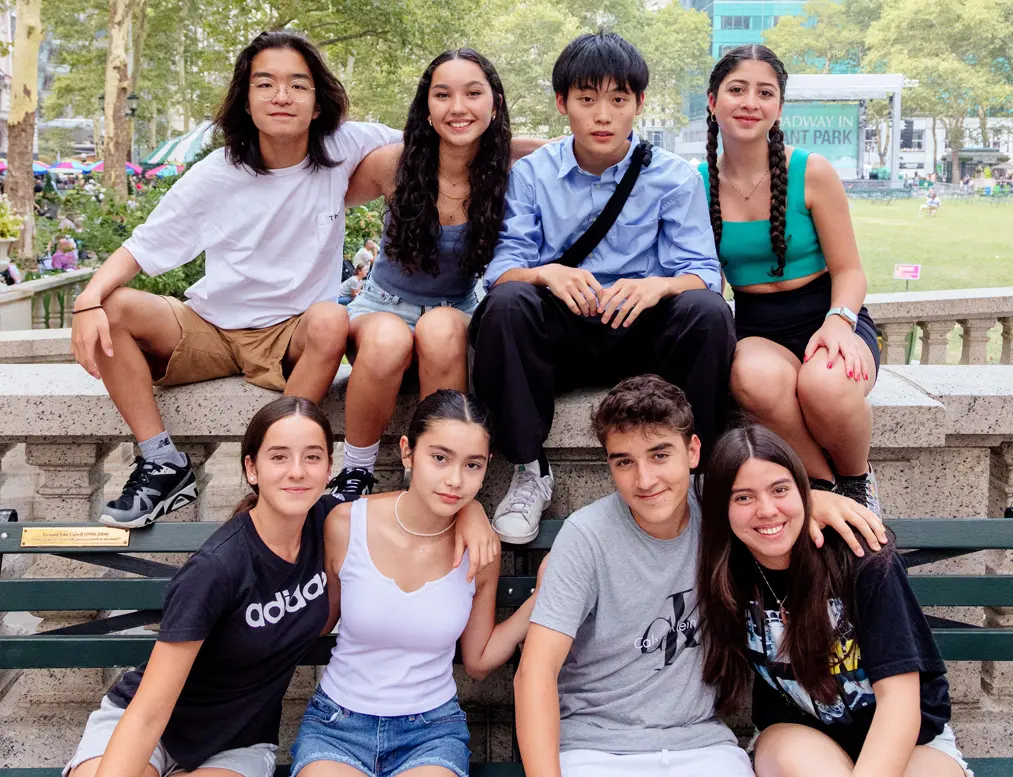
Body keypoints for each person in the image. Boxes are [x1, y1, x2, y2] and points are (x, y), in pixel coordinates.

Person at [64, 395, 501, 777]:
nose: (297, 472)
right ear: (251, 468)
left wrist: (471, 513)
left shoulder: (328, 521)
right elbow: (149, 713)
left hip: (237, 740)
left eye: (312, 457)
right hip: (151, 721)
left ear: (329, 467)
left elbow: (423, 503)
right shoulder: (218, 567)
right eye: (278, 457)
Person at [69, 31, 400, 528]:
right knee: (114, 306)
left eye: (297, 85)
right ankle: (162, 462)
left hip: (290, 334)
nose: (281, 96)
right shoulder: (216, 174)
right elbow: (140, 247)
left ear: (317, 103)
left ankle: (277, 466)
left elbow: (449, 138)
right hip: (211, 327)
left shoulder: (343, 146)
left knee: (333, 318)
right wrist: (87, 301)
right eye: (265, 84)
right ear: (246, 101)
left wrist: (547, 149)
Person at [514, 375, 888, 777]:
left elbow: (770, 499)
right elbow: (534, 674)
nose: (644, 480)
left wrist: (818, 500)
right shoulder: (586, 536)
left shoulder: (720, 507)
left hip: (702, 745)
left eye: (660, 455)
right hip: (595, 748)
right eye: (624, 461)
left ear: (693, 451)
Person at [468, 32, 736, 543]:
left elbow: (704, 270)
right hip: (563, 334)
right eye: (587, 99)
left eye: (618, 100)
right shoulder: (531, 176)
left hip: (640, 334)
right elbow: (502, 269)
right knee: (507, 303)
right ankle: (528, 471)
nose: (603, 115)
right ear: (562, 103)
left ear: (638, 103)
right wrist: (546, 272)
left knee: (706, 312)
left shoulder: (674, 178)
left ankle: (693, 476)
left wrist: (657, 285)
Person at [290, 390, 543, 777]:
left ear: (487, 465)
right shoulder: (346, 524)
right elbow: (320, 620)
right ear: (407, 452)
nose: (454, 480)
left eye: (472, 465)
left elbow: (477, 660)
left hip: (430, 732)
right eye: (439, 458)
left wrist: (544, 597)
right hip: (337, 725)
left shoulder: (480, 550)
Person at [697, 424, 971, 777]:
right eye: (743, 497)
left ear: (804, 492)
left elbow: (900, 704)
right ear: (723, 507)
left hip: (912, 739)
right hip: (800, 734)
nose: (766, 510)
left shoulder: (860, 557)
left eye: (780, 489)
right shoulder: (727, 568)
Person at [327, 48, 522, 500]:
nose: (458, 107)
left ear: (493, 103)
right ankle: (356, 472)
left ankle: (432, 475)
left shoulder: (509, 172)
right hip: (381, 306)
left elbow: (560, 153)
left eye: (473, 93)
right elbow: (322, 206)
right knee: (389, 338)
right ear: (426, 107)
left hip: (456, 311)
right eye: (443, 94)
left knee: (438, 328)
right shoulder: (393, 163)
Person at [700, 45, 881, 510]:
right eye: (736, 89)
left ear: (779, 107)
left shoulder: (812, 172)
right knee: (753, 377)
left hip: (829, 313)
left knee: (825, 384)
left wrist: (839, 322)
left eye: (765, 92)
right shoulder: (695, 183)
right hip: (758, 326)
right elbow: (704, 280)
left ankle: (858, 484)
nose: (750, 102)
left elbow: (850, 270)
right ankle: (823, 488)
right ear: (712, 100)